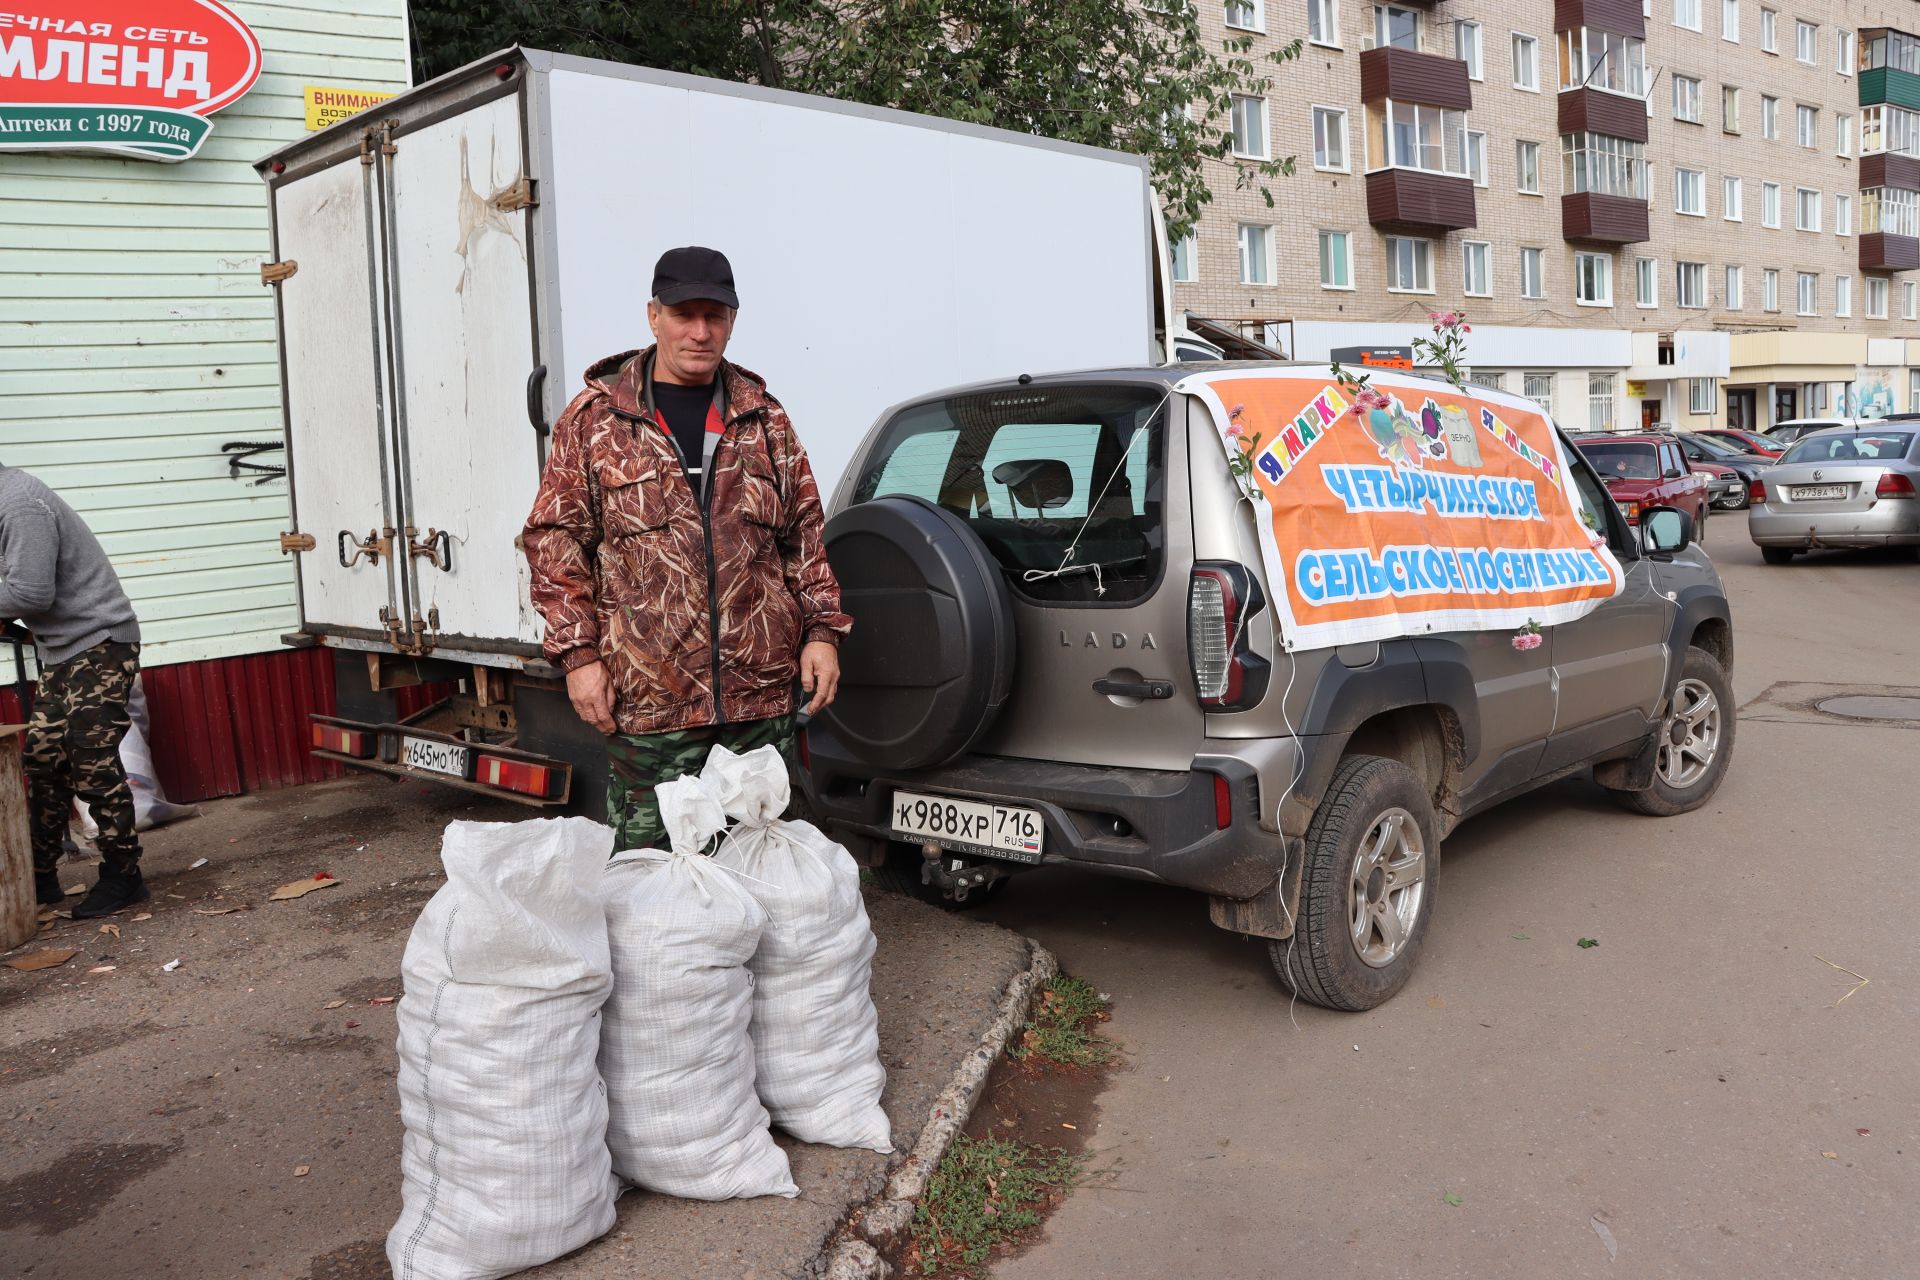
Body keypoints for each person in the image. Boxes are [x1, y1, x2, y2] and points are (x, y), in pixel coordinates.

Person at [522, 246, 850, 849]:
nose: (700, 332)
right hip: (650, 703)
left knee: (760, 863)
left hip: (759, 701)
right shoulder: (598, 421)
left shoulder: (764, 419)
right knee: (652, 879)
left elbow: (804, 534)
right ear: (653, 316)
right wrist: (579, 658)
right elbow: (555, 541)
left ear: (732, 319)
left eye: (715, 316)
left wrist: (822, 634)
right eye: (683, 314)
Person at [0, 461, 149, 917]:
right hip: (61, 650)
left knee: (91, 760)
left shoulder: (18, 504)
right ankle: (41, 877)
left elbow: (29, 593)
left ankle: (124, 875)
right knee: (44, 757)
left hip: (100, 642)